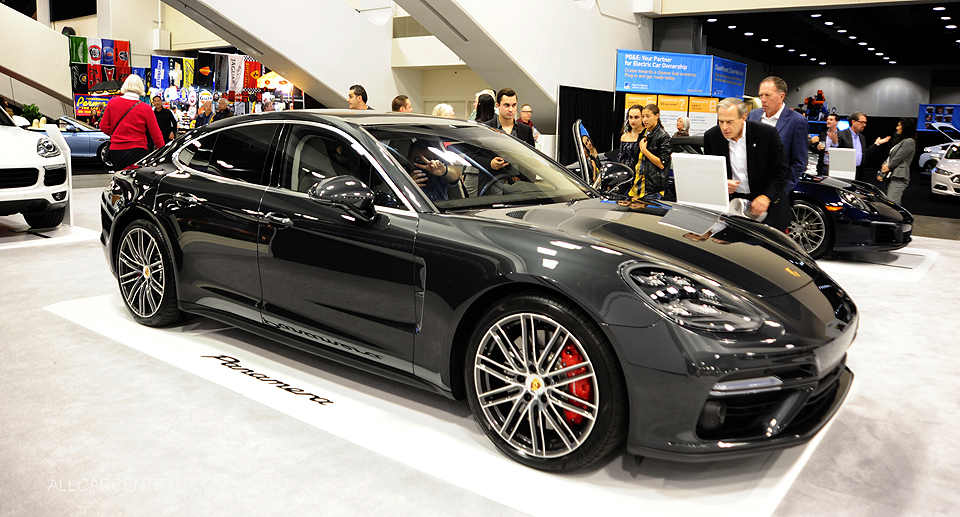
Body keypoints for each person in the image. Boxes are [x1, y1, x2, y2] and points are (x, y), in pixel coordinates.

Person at [703, 98, 792, 231]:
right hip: (734, 209)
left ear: (743, 117)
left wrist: (767, 197)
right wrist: (721, 183)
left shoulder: (766, 134)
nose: (724, 127)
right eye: (721, 121)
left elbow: (783, 171)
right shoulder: (712, 137)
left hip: (767, 209)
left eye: (730, 122)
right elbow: (710, 172)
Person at [748, 76, 808, 194]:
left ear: (781, 96)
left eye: (767, 95)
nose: (763, 100)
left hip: (778, 193)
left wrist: (778, 191)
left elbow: (799, 163)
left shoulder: (797, 121)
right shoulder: (753, 116)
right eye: (761, 95)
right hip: (751, 190)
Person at [99, 74, 164, 170]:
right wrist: (163, 152)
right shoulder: (146, 108)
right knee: (134, 181)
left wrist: (117, 134)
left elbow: (103, 126)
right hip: (137, 150)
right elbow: (156, 135)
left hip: (116, 150)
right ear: (141, 87)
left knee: (120, 179)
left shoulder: (112, 103)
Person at [621, 103, 671, 201]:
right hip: (637, 185)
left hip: (651, 189)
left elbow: (662, 164)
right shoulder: (644, 134)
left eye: (648, 116)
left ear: (657, 116)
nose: (645, 120)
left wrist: (644, 150)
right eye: (643, 116)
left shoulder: (663, 136)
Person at [877, 117, 917, 205]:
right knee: (889, 203)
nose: (896, 128)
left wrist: (884, 170)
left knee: (892, 204)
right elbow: (890, 158)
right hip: (892, 177)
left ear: (905, 127)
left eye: (899, 125)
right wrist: (882, 171)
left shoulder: (909, 142)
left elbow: (896, 159)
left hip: (899, 177)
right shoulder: (902, 141)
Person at [838, 111, 886, 181]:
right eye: (862, 122)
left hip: (858, 172)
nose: (864, 125)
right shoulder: (842, 135)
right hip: (844, 171)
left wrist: (877, 144)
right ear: (853, 122)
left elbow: (864, 155)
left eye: (865, 122)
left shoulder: (862, 137)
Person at [617, 104, 643, 171]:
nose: (633, 121)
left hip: (641, 173)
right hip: (626, 173)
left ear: (643, 118)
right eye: (630, 117)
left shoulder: (647, 136)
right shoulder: (624, 136)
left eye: (636, 117)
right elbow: (620, 159)